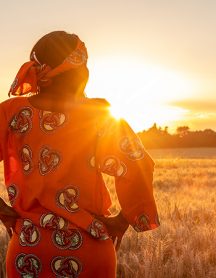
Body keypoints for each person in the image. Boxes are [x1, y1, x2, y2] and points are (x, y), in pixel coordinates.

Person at [0, 31, 160, 277]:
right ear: (81, 72)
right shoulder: (99, 116)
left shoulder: (11, 113)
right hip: (90, 251)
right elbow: (139, 163)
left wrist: (1, 209)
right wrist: (124, 218)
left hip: (29, 250)